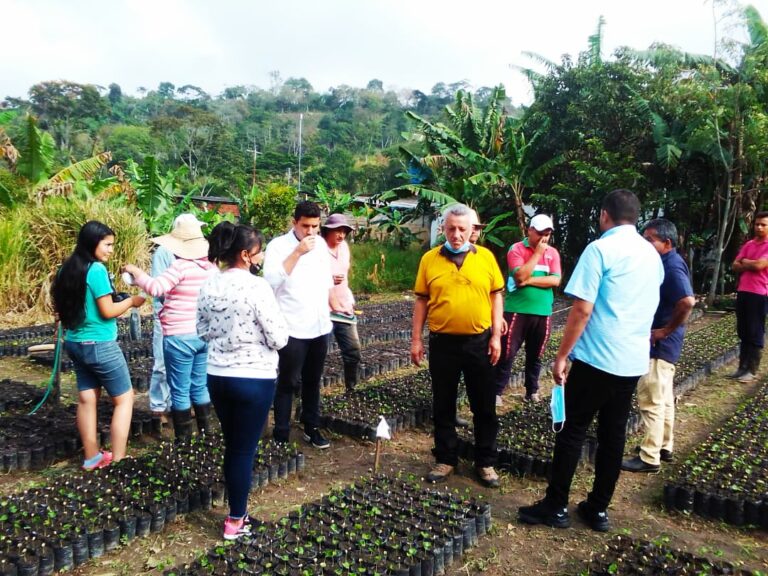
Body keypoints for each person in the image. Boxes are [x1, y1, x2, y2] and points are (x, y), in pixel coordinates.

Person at [518, 189, 663, 532]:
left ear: (603, 215)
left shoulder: (600, 249)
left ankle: (555, 507)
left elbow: (582, 309)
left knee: (572, 432)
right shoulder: (651, 254)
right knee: (613, 437)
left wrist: (562, 355)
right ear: (636, 217)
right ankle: (597, 509)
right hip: (631, 362)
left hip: (597, 358)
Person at [197, 222, 289, 541]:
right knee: (242, 450)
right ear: (246, 255)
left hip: (217, 376)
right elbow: (278, 337)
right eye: (259, 251)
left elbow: (201, 330)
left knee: (234, 444)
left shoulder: (209, 285)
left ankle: (239, 513)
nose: (261, 257)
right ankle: (236, 520)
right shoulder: (256, 287)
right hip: (253, 378)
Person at [411, 203, 504, 488]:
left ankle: (485, 462)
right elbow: (421, 300)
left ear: (472, 230)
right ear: (443, 229)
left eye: (463, 229)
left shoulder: (486, 258)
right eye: (451, 228)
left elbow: (496, 294)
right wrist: (416, 339)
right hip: (443, 343)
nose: (456, 234)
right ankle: (446, 458)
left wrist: (497, 335)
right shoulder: (430, 259)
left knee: (484, 406)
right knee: (443, 404)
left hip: (480, 342)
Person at [51, 221, 145, 470]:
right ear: (92, 243)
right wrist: (133, 301)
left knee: (87, 398)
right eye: (108, 244)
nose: (111, 250)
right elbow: (108, 310)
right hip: (100, 345)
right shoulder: (96, 271)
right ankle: (118, 459)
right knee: (125, 399)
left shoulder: (67, 269)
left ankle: (92, 457)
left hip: (75, 343)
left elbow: (60, 309)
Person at [123, 215, 216, 441]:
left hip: (178, 337)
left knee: (179, 389)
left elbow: (156, 288)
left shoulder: (180, 266)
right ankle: (206, 435)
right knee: (199, 386)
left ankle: (183, 440)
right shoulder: (210, 267)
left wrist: (137, 274)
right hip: (202, 336)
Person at [622, 218, 695, 473]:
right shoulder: (663, 262)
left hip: (660, 344)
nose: (645, 243)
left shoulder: (672, 266)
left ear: (667, 242)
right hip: (665, 344)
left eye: (650, 239)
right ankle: (664, 445)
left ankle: (649, 456)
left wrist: (664, 330)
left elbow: (687, 301)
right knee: (663, 398)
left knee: (651, 397)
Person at [264, 201, 333, 449]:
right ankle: (281, 433)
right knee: (288, 382)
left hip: (319, 326)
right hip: (291, 326)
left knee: (313, 381)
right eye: (306, 226)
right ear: (294, 223)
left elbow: (326, 282)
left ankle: (311, 428)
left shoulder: (322, 245)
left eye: (315, 226)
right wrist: (297, 253)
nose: (311, 232)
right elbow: (270, 282)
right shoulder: (278, 247)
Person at [493, 214, 561, 404]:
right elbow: (519, 277)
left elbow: (555, 280)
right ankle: (497, 391)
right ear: (530, 231)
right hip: (517, 310)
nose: (544, 239)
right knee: (507, 353)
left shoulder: (553, 253)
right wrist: (537, 254)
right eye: (540, 233)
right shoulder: (516, 250)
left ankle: (532, 391)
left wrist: (529, 280)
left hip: (542, 312)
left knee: (536, 355)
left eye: (547, 234)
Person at [321, 213, 362, 392]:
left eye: (344, 231)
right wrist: (328, 278)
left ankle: (351, 388)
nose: (341, 235)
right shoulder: (318, 248)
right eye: (337, 231)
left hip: (343, 306)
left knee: (353, 351)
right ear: (327, 231)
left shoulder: (344, 247)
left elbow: (345, 276)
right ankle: (302, 394)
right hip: (322, 308)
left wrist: (349, 298)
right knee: (316, 355)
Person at [729, 212, 768, 383]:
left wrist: (746, 262)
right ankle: (742, 367)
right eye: (757, 224)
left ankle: (751, 369)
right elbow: (735, 265)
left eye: (763, 225)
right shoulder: (749, 244)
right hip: (743, 291)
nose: (759, 227)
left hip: (759, 293)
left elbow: (760, 265)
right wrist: (748, 263)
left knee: (755, 331)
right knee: (743, 330)